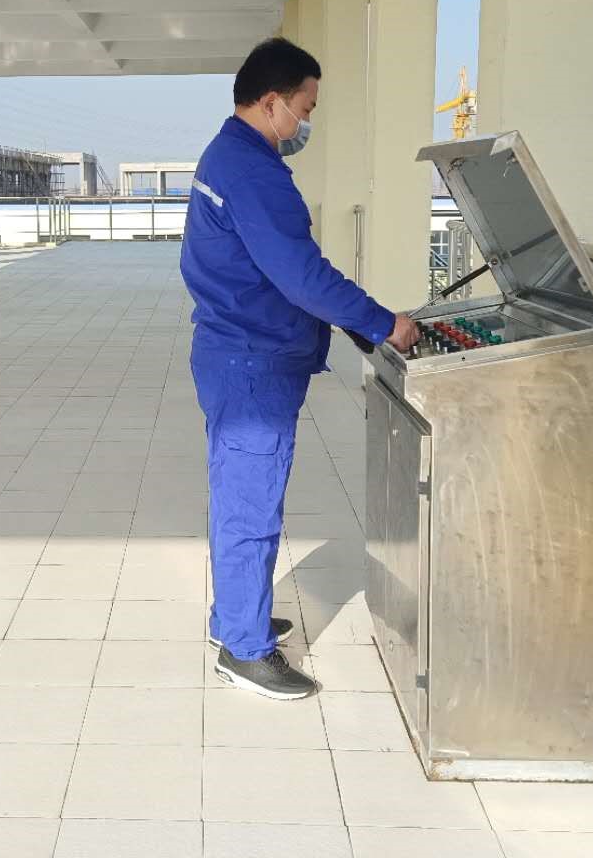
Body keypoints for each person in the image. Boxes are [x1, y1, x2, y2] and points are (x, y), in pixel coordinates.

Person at [180, 37, 421, 700]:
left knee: (238, 493)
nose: (307, 121)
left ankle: (235, 618)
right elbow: (301, 275)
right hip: (251, 360)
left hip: (233, 348)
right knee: (250, 503)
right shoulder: (252, 172)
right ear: (271, 101)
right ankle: (245, 651)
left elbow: (284, 271)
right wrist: (383, 322)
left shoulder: (229, 154)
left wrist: (359, 321)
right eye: (305, 108)